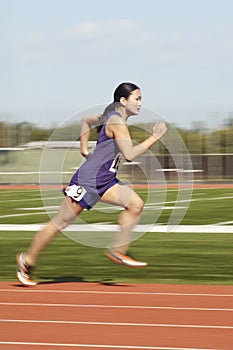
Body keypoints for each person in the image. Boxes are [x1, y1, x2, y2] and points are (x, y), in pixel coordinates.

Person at [16, 82, 167, 286]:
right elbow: (129, 155)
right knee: (60, 222)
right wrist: (154, 137)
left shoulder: (110, 118)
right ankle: (27, 260)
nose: (140, 103)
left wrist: (84, 149)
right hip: (88, 181)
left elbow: (85, 120)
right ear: (123, 101)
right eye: (137, 99)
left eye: (141, 99)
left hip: (105, 181)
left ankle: (118, 249)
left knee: (136, 205)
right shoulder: (117, 123)